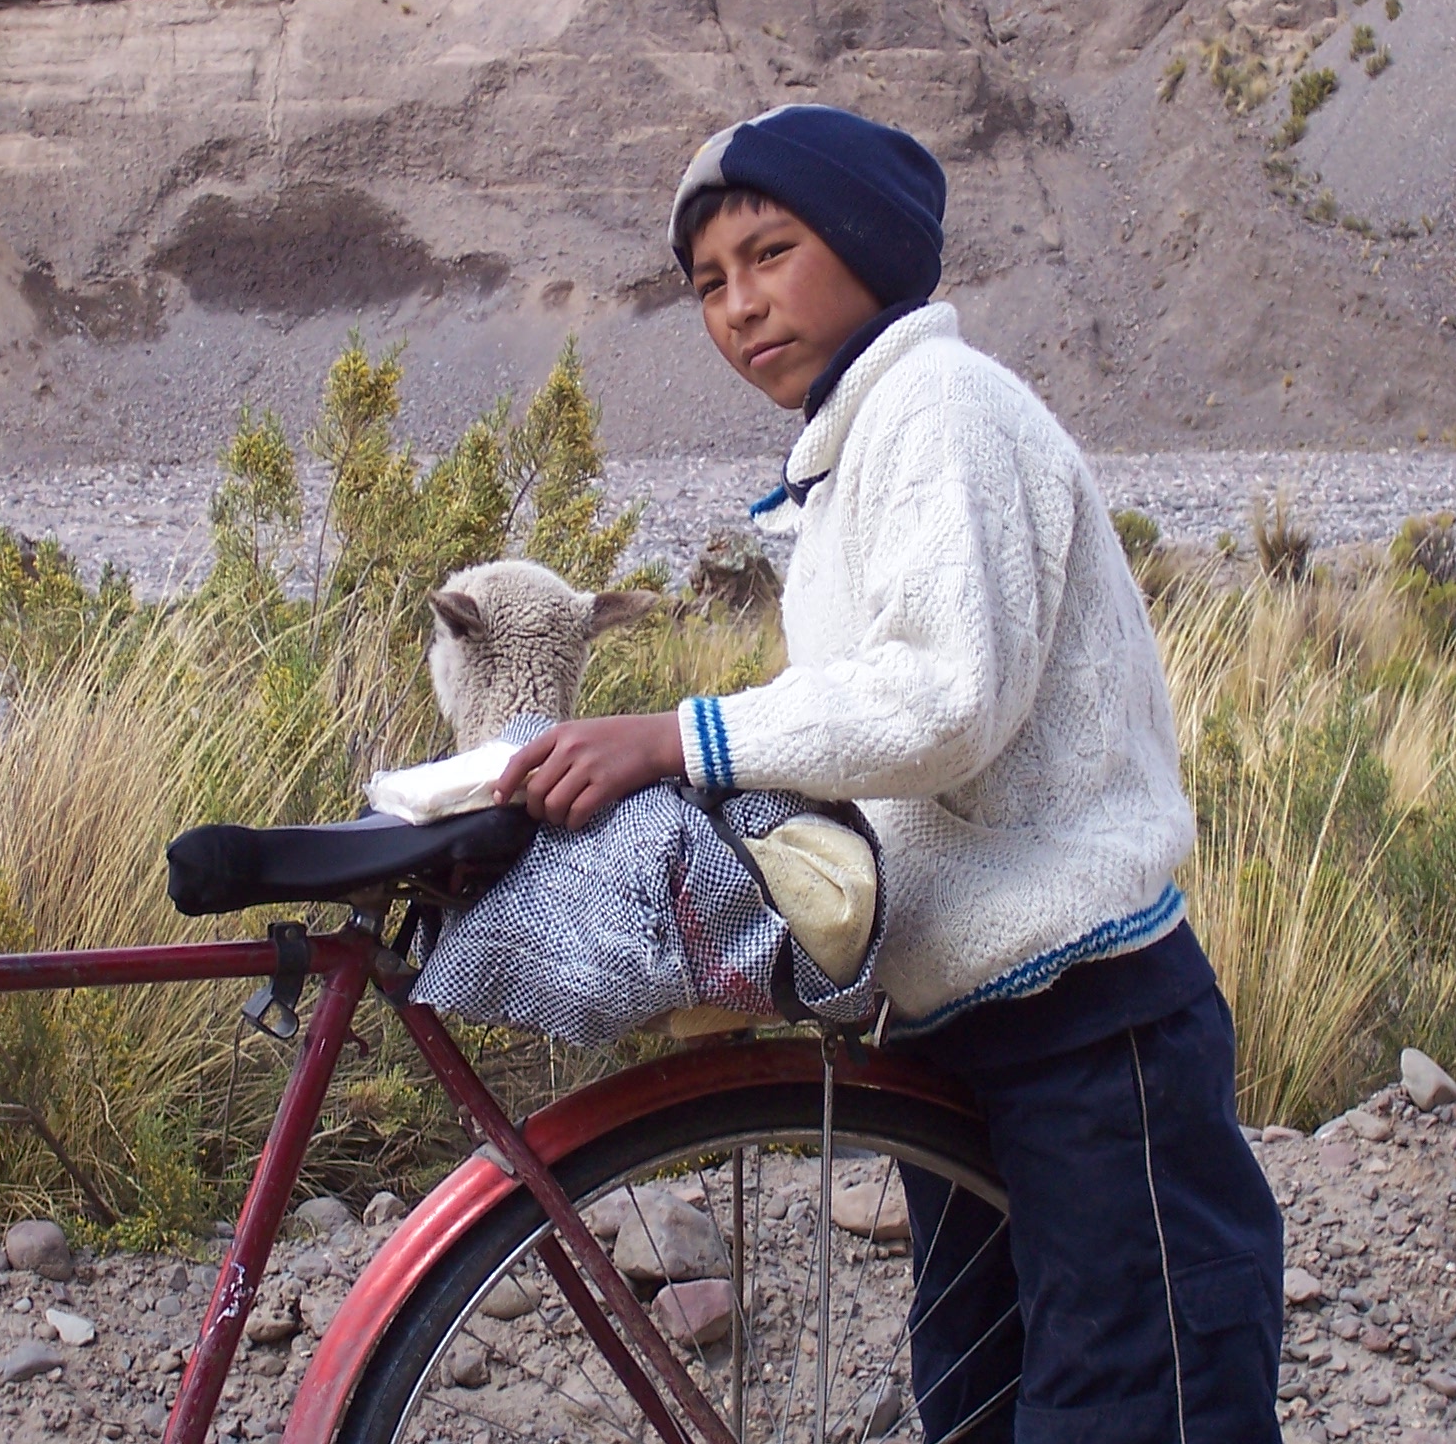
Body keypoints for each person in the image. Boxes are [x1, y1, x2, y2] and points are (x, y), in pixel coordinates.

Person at [498, 104, 1282, 1444]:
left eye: (771, 253)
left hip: (1091, 1020)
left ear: (863, 241)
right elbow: (871, 740)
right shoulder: (852, 450)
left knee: (1135, 1396)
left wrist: (681, 738)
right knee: (987, 1393)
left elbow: (941, 701)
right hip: (966, 1027)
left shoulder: (944, 408)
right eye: (707, 284)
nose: (741, 305)